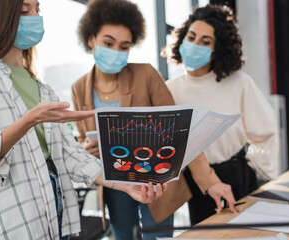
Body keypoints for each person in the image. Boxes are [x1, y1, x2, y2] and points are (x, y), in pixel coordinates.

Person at [0, 0, 166, 239]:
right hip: (9, 221)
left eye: (37, 9)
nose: (35, 17)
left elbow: (69, 155)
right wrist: (28, 121)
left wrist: (125, 183)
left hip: (56, 208)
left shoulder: (43, 88)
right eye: (24, 10)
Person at [72, 0, 238, 239]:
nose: (116, 52)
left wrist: (209, 181)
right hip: (116, 186)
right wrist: (85, 148)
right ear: (91, 39)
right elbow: (81, 138)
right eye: (108, 43)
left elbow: (181, 132)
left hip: (156, 184)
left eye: (124, 46)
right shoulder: (79, 88)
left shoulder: (146, 74)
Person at [165, 4, 279, 225]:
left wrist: (253, 165)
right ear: (182, 39)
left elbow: (266, 130)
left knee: (250, 234)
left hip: (238, 173)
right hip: (198, 181)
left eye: (205, 42)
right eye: (192, 37)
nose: (195, 45)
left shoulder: (238, 82)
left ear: (217, 49)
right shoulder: (170, 89)